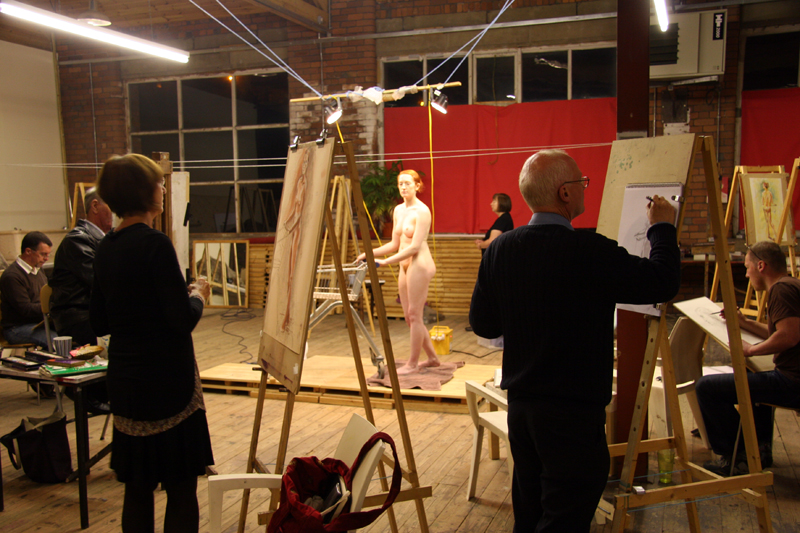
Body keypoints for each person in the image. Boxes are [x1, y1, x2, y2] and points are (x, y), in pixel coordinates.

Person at [469, 149, 681, 532]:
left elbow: (483, 324)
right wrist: (662, 228)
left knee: (530, 515)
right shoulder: (590, 251)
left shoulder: (501, 248)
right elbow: (662, 281)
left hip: (522, 409)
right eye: (581, 182)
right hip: (572, 416)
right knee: (565, 519)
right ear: (564, 193)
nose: (585, 187)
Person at [90, 153, 213, 533]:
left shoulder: (107, 246)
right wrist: (198, 296)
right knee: (180, 489)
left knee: (138, 490)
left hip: (127, 385)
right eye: (159, 183)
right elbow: (181, 320)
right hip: (168, 387)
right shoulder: (155, 244)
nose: (163, 188)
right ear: (145, 193)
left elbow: (99, 321)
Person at [696, 240, 800, 476]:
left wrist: (751, 350)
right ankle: (759, 451)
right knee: (752, 376)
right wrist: (745, 323)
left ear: (761, 266)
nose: (746, 274)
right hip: (793, 378)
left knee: (706, 388)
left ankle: (737, 457)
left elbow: (789, 335)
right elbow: (778, 331)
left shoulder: (780, 290)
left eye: (747, 267)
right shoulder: (791, 284)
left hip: (793, 382)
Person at [356, 169, 439, 375]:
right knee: (409, 317)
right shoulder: (398, 210)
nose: (403, 187)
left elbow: (414, 247)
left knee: (415, 314)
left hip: (419, 263)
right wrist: (368, 253)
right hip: (404, 264)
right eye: (400, 183)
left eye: (407, 183)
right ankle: (433, 358)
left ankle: (413, 363)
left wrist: (385, 262)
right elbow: (394, 244)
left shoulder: (422, 211)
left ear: (417, 186)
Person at [50, 187, 114, 345]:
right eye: (113, 204)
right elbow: (103, 281)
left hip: (97, 314)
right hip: (79, 318)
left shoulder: (106, 239)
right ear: (95, 206)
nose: (117, 211)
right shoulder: (77, 240)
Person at [0, 231, 56, 348]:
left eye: (48, 255)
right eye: (43, 254)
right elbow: (26, 309)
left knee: (74, 331)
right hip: (17, 328)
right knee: (56, 341)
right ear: (28, 251)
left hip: (39, 322)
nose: (46, 258)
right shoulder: (12, 276)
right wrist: (52, 306)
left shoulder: (38, 269)